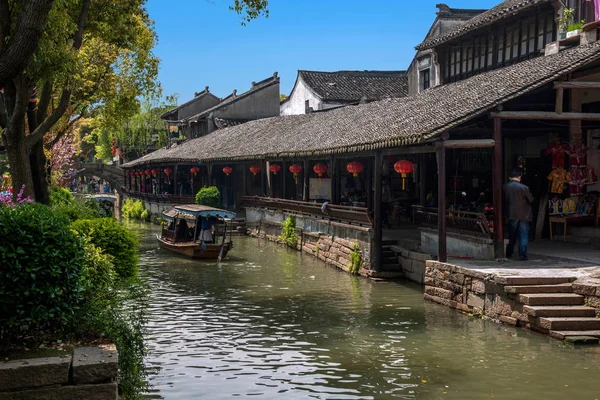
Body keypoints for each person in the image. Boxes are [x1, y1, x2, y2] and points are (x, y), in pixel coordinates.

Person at [503, 168, 534, 260]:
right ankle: (523, 255)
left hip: (512, 214)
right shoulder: (524, 187)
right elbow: (531, 200)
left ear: (510, 178)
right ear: (519, 177)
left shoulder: (505, 187)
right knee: (523, 235)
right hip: (524, 214)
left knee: (512, 234)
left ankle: (509, 252)